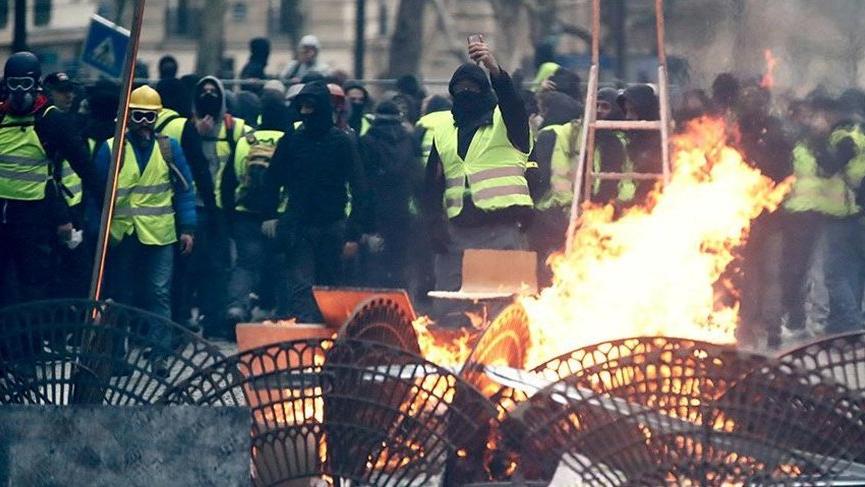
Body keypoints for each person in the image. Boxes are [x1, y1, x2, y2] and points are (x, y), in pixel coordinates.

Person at [423, 38, 534, 327]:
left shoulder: (506, 122)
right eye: (459, 90)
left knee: (502, 314)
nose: (465, 94)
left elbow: (512, 103)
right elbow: (431, 184)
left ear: (485, 91)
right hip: (455, 234)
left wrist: (494, 69)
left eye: (472, 89)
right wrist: (433, 223)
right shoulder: (444, 128)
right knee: (449, 312)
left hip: (501, 230)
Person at [91, 86, 196, 375]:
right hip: (123, 234)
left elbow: (185, 190)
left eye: (149, 117)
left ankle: (159, 355)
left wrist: (188, 227)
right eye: (138, 116)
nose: (144, 123)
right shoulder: (111, 149)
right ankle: (115, 356)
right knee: (121, 296)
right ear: (127, 117)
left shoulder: (168, 148)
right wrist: (94, 231)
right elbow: (94, 194)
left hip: (159, 234)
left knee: (158, 293)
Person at [261, 81, 371, 321]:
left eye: (310, 107)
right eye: (302, 107)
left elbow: (359, 187)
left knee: (328, 286)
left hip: (330, 225)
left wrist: (353, 231)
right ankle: (307, 337)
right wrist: (270, 214)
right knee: (302, 286)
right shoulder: (292, 140)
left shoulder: (340, 142)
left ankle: (325, 337)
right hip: (301, 225)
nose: (304, 112)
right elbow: (272, 179)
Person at [0, 52, 96, 306]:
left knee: (33, 282)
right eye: (14, 84)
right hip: (3, 212)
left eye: (26, 84)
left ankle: (29, 343)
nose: (19, 92)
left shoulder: (51, 120)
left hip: (34, 216)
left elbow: (83, 164)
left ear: (36, 84)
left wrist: (108, 200)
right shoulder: (1, 116)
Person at [185, 76, 249, 339]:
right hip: (194, 207)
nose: (209, 95)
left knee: (219, 267)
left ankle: (214, 320)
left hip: (222, 210)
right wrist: (195, 135)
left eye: (214, 92)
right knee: (191, 267)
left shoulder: (235, 129)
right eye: (204, 91)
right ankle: (188, 318)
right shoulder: (187, 127)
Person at [222, 98, 288, 324]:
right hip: (280, 214)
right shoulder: (289, 141)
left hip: (245, 213)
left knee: (245, 265)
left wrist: (230, 214)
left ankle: (236, 308)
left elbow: (227, 181)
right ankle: (283, 312)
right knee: (283, 263)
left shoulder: (244, 141)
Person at [359, 101, 419, 288]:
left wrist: (364, 225)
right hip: (403, 208)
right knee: (400, 261)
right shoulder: (410, 139)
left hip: (377, 209)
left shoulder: (367, 141)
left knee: (375, 264)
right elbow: (418, 175)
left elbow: (362, 182)